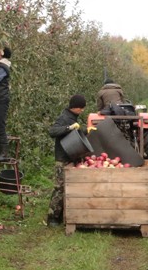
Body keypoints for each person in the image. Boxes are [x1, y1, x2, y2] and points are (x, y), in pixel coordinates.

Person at [46, 94, 87, 226]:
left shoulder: (73, 117)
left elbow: (76, 133)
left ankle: (64, 214)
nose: (82, 110)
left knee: (68, 187)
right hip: (62, 158)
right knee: (60, 187)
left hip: (71, 155)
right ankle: (52, 217)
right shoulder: (64, 118)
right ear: (75, 107)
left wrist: (86, 131)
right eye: (81, 108)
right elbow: (52, 131)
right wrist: (69, 128)